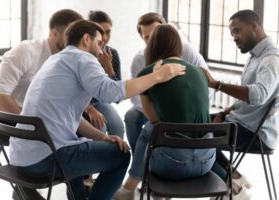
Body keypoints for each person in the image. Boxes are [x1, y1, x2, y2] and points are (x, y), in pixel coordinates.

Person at [11, 20, 186, 200]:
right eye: (99, 43)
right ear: (87, 39)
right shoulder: (84, 58)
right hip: (49, 159)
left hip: (21, 159)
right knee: (121, 156)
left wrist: (103, 137)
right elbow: (111, 93)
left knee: (79, 143)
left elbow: (72, 117)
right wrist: (157, 76)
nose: (102, 49)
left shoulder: (54, 60)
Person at [0, 9, 83, 200]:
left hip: (29, 118)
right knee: (64, 134)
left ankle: (75, 192)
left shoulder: (67, 60)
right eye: (70, 35)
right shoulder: (26, 51)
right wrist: (31, 120)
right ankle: (24, 186)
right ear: (54, 33)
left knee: (78, 129)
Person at [114, 24, 214, 200]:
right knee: (165, 133)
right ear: (178, 46)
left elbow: (153, 119)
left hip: (173, 165)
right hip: (207, 162)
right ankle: (150, 193)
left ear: (153, 45)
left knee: (149, 130)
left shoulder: (149, 73)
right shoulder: (200, 73)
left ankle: (129, 188)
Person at [203, 10, 279, 200]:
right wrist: (227, 111)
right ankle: (233, 177)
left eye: (237, 31)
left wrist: (217, 85)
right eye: (232, 34)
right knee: (192, 123)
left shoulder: (271, 60)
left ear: (255, 25)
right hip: (241, 123)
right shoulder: (255, 57)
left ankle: (232, 187)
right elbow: (248, 98)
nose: (234, 38)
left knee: (193, 134)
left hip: (254, 133)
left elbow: (258, 96)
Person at [124, 12, 212, 152]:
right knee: (132, 117)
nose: (153, 40)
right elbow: (136, 99)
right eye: (147, 37)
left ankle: (139, 169)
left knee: (152, 129)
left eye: (156, 34)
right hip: (152, 110)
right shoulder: (139, 61)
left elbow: (207, 85)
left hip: (182, 110)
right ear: (141, 38)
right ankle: (139, 158)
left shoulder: (188, 51)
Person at [86, 10, 124, 138]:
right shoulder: (82, 54)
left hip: (99, 101)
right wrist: (89, 108)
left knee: (118, 127)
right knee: (100, 127)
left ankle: (117, 158)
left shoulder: (112, 53)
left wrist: (108, 67)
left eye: (108, 32)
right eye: (101, 33)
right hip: (80, 103)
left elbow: (118, 97)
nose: (105, 38)